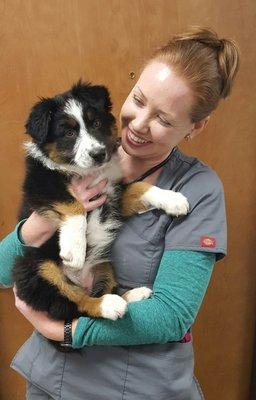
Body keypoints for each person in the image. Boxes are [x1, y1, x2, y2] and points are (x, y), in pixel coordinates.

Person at [0, 27, 239, 399]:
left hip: (137, 388)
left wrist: (70, 332)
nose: (139, 124)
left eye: (163, 119)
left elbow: (171, 316)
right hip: (51, 382)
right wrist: (45, 220)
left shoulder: (199, 189)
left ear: (195, 126)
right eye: (139, 99)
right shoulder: (79, 163)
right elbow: (4, 273)